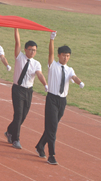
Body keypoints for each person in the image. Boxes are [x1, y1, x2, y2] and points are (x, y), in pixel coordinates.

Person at [35, 32, 84, 165]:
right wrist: (52, 40)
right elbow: (50, 54)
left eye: (68, 56)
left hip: (62, 101)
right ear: (59, 55)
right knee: (52, 129)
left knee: (53, 126)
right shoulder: (53, 66)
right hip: (52, 98)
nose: (66, 58)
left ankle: (40, 145)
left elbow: (73, 77)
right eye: (64, 55)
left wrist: (79, 82)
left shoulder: (69, 69)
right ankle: (52, 155)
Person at [5, 29, 47, 149]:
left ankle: (9, 130)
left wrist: (45, 84)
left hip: (28, 91)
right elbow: (17, 42)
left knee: (23, 115)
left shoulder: (36, 63)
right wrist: (16, 29)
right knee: (18, 114)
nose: (32, 52)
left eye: (34, 50)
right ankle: (15, 139)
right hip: (18, 89)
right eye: (30, 50)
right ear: (25, 49)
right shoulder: (20, 57)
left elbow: (39, 74)